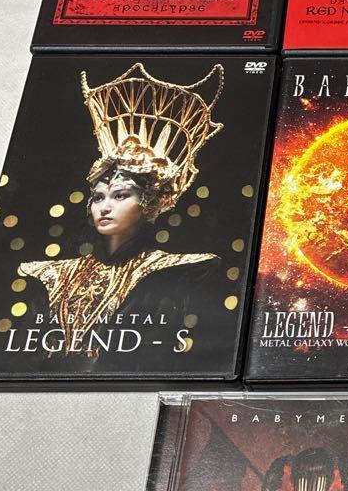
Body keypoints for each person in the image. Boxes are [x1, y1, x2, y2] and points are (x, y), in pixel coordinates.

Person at [18, 63, 224, 361]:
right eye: (98, 197)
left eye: (120, 196)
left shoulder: (168, 269)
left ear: (149, 203)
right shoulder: (55, 272)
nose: (105, 206)